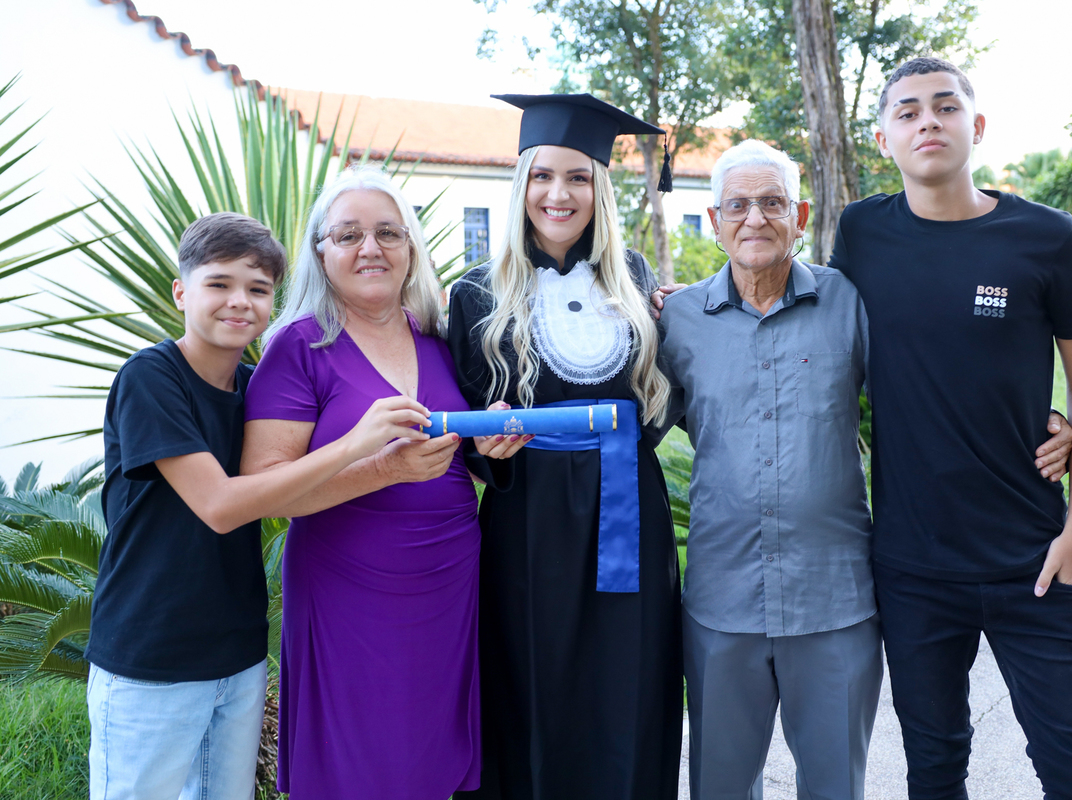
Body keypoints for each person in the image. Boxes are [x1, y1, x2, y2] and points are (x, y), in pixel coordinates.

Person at [829, 57, 1072, 800]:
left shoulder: (1046, 236)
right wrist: (688, 304)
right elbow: (812, 329)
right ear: (884, 139)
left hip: (1034, 557)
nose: (928, 121)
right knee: (934, 769)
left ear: (976, 125)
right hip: (913, 567)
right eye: (908, 112)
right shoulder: (862, 232)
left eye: (945, 106)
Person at [88, 212, 425, 800]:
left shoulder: (255, 387)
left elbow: (292, 492)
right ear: (181, 292)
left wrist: (393, 466)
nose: (239, 302)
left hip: (239, 655)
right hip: (150, 656)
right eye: (219, 284)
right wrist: (356, 446)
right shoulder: (151, 378)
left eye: (258, 289)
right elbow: (220, 505)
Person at [240, 168, 524, 799]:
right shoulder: (298, 347)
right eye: (349, 235)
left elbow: (462, 449)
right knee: (356, 767)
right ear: (321, 253)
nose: (370, 248)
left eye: (388, 233)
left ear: (411, 249)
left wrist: (488, 445)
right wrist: (384, 469)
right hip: (347, 591)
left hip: (448, 585)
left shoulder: (441, 339)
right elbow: (264, 489)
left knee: (430, 764)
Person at [447, 93, 682, 800]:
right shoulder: (476, 295)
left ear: (599, 188)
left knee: (628, 682)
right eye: (543, 175)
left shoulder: (635, 280)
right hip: (530, 520)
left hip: (628, 516)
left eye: (578, 177)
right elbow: (465, 420)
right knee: (533, 682)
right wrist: (487, 446)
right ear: (522, 183)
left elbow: (658, 403)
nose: (559, 193)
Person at [658, 139, 882, 800]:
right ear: (715, 219)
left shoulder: (849, 303)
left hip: (834, 599)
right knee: (721, 787)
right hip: (722, 600)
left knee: (836, 786)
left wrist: (1038, 420)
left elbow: (921, 405)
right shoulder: (678, 319)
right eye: (737, 205)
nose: (754, 218)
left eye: (772, 202)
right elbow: (631, 426)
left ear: (800, 214)